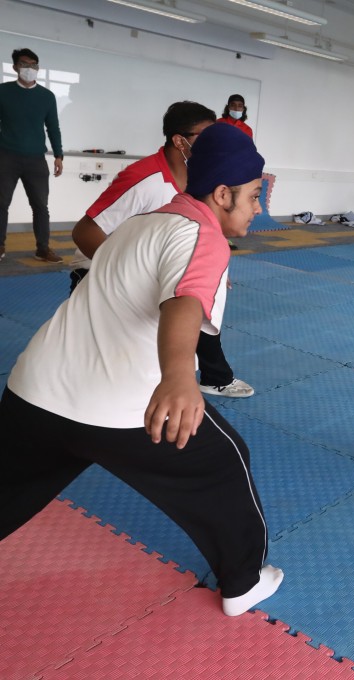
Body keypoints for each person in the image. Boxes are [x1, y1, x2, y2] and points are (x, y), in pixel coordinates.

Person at [0, 123, 284, 617]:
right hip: (118, 409)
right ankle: (243, 582)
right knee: (223, 462)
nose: (259, 208)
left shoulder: (145, 222)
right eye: (255, 196)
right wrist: (178, 377)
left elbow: (152, 286)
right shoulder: (203, 237)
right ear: (222, 194)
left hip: (34, 392)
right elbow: (183, 301)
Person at [70, 102, 255, 399]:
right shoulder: (143, 179)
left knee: (197, 307)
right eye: (204, 138)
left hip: (156, 267)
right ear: (179, 141)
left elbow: (198, 232)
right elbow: (84, 231)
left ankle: (214, 376)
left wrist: (212, 272)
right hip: (99, 270)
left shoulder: (200, 179)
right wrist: (126, 274)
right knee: (108, 358)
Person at [0, 48, 63, 264]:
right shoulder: (3, 91)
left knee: (40, 206)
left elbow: (53, 128)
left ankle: (43, 249)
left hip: (36, 159)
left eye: (34, 65)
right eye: (25, 64)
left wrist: (59, 155)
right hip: (6, 156)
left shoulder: (47, 96)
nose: (30, 68)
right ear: (15, 67)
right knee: (1, 203)